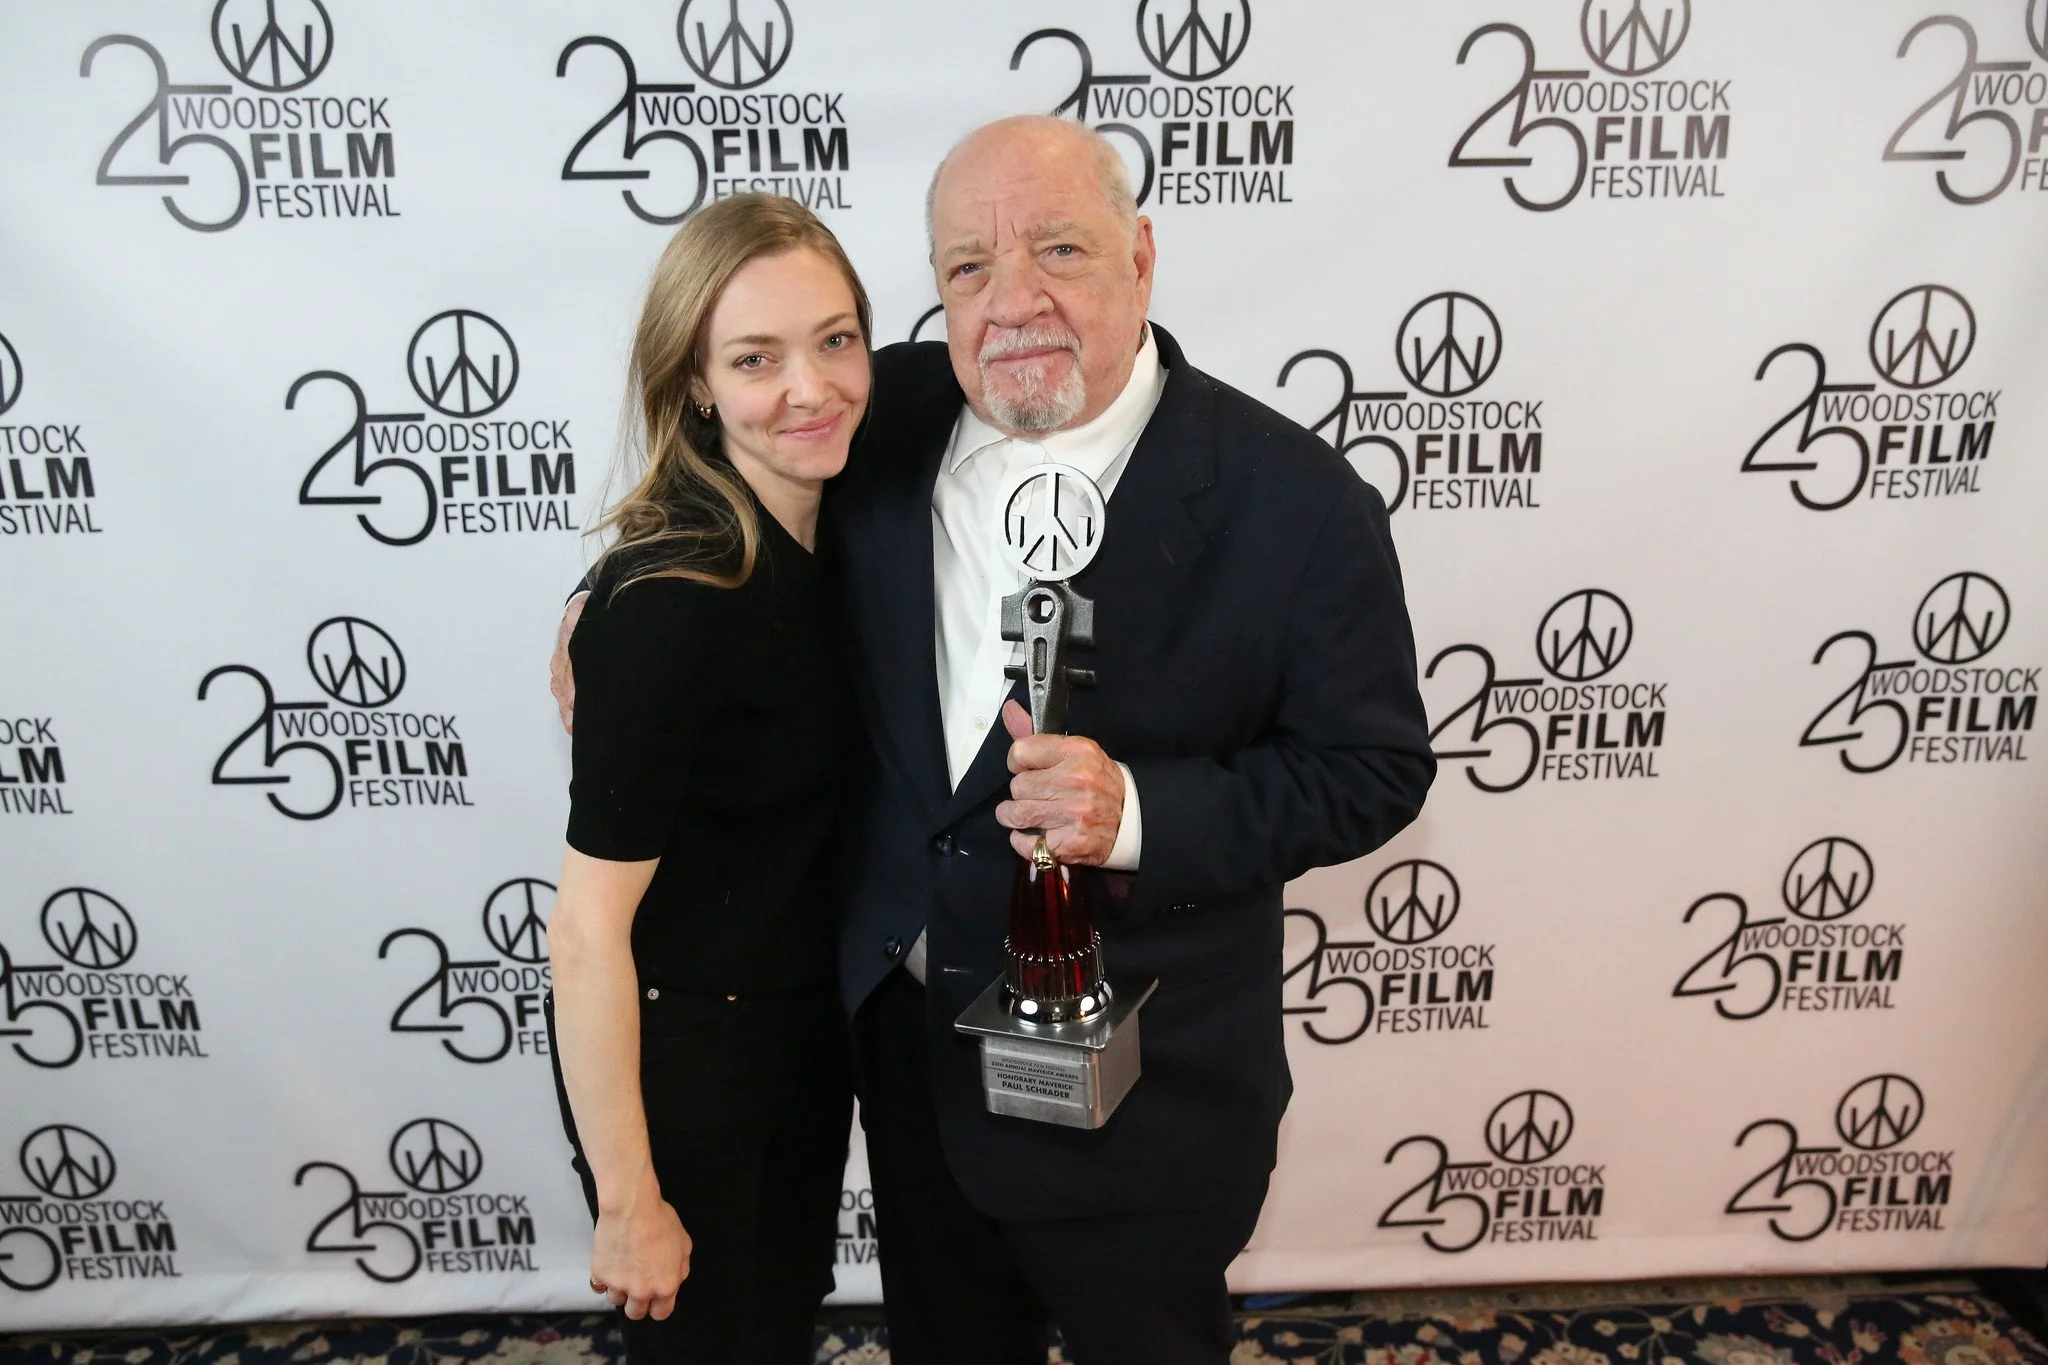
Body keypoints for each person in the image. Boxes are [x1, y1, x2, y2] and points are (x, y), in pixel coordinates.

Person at [554, 116, 1435, 1365]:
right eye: (967, 266)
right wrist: (599, 604)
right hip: (913, 1079)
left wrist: (1135, 813)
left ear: (1141, 257)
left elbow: (1373, 772)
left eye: (1058, 250)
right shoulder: (878, 415)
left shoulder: (1294, 502)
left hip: (1151, 1089)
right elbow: (719, 488)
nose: (1011, 300)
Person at [543, 193, 871, 1364]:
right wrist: (631, 1199)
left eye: (837, 339)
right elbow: (583, 935)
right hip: (682, 1060)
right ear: (693, 382)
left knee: (774, 1323)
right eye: (755, 358)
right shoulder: (671, 606)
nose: (810, 386)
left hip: (795, 1031)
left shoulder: (837, 513)